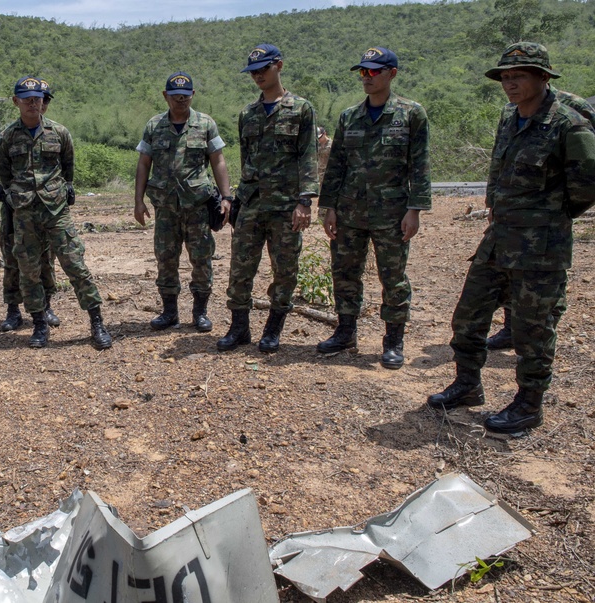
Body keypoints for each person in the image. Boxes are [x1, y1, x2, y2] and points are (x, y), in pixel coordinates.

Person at [427, 42, 595, 433]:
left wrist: (549, 216)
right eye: (505, 77)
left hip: (541, 248)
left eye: (518, 76)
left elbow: (587, 186)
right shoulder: (509, 118)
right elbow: (497, 171)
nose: (510, 83)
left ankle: (528, 405)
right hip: (498, 238)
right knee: (468, 317)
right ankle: (467, 385)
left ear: (543, 77)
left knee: (532, 329)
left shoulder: (569, 124)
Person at [317, 46, 431, 369]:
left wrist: (415, 209)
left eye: (373, 71)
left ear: (391, 74)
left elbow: (419, 166)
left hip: (391, 213)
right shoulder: (349, 116)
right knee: (344, 271)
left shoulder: (411, 114)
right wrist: (329, 207)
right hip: (350, 210)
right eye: (362, 72)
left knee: (393, 277)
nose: (366, 78)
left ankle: (393, 340)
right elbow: (336, 164)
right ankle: (346, 331)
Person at [0, 76, 111, 349]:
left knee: (75, 265)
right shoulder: (6, 137)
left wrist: (62, 189)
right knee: (29, 271)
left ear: (42, 101)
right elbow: (3, 174)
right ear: (16, 102)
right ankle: (39, 325)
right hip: (24, 213)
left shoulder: (59, 133)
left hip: (56, 210)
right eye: (26, 99)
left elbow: (68, 167)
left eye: (37, 98)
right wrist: (15, 195)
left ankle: (96, 322)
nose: (32, 103)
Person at [217, 44, 319, 353]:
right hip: (251, 204)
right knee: (240, 267)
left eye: (263, 69)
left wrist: (305, 201)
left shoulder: (301, 109)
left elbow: (307, 157)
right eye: (253, 72)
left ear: (279, 66)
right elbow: (246, 159)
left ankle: (273, 330)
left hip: (286, 205)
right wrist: (234, 200)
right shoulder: (247, 113)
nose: (258, 76)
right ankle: (239, 329)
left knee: (285, 269)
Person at [485, 85, 595, 350]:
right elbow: (500, 159)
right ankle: (512, 329)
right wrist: (493, 201)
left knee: (546, 280)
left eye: (520, 73)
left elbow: (585, 164)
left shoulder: (574, 108)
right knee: (510, 269)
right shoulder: (511, 108)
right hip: (511, 214)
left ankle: (543, 334)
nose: (512, 81)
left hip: (548, 219)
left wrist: (561, 209)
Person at [134, 72, 232, 333]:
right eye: (176, 96)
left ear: (192, 96)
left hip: (197, 205)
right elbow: (144, 163)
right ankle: (169, 313)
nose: (180, 100)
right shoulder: (154, 126)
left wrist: (226, 197)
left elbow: (218, 161)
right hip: (165, 207)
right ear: (165, 96)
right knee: (166, 258)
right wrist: (138, 201)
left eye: (185, 96)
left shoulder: (205, 123)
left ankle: (200, 313)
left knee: (201, 258)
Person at [0, 79, 60, 332]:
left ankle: (46, 306)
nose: (41, 104)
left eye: (44, 100)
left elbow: (64, 172)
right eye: (37, 99)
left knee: (46, 258)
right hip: (15, 208)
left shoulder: (55, 133)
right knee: (12, 258)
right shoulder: (9, 134)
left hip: (46, 209)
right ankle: (13, 310)